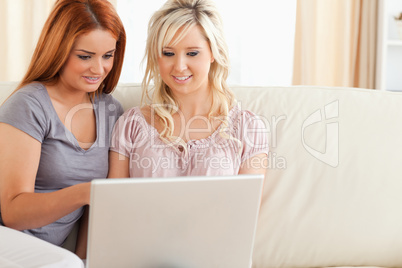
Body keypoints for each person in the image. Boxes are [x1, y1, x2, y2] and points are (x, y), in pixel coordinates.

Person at [0, 0, 126, 262]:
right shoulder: (29, 105)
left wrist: (85, 261)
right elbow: (12, 214)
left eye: (108, 56)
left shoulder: (111, 111)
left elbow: (97, 210)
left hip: (49, 255)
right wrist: (86, 192)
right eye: (85, 56)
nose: (98, 69)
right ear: (58, 49)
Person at [108, 0, 268, 179]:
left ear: (213, 53)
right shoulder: (131, 125)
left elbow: (245, 205)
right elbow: (113, 203)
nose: (179, 67)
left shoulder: (247, 129)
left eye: (192, 53)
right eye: (168, 53)